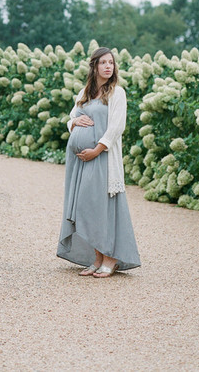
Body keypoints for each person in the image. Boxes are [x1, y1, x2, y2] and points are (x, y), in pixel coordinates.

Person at [57, 46, 141, 277]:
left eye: (111, 63)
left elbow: (116, 127)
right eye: (103, 62)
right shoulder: (84, 92)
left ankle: (110, 258)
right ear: (94, 66)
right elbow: (70, 118)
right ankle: (96, 257)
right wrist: (74, 124)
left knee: (102, 206)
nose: (108, 66)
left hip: (102, 158)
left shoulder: (117, 93)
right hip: (80, 161)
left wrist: (96, 149)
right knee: (86, 206)